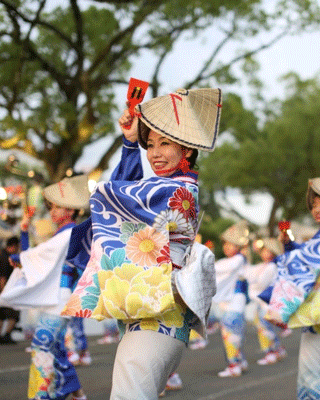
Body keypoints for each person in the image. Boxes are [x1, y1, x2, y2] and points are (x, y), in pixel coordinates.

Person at [61, 88, 220, 399]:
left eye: (164, 143)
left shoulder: (180, 191)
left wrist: (97, 188)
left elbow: (123, 194)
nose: (155, 153)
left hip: (159, 316)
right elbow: (128, 190)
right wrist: (130, 143)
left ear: (186, 150)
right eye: (150, 145)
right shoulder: (168, 186)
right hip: (153, 313)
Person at [0, 175, 90, 400]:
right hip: (57, 296)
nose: (53, 211)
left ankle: (43, 395)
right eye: (52, 207)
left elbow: (39, 255)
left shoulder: (70, 233)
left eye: (58, 207)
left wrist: (21, 255)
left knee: (43, 343)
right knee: (55, 348)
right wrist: (25, 233)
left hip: (60, 296)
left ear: (71, 210)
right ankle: (78, 393)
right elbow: (36, 257)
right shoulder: (62, 234)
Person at [263, 175, 320, 400]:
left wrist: (284, 255)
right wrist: (288, 243)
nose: (317, 209)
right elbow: (306, 255)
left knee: (312, 365)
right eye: (314, 205)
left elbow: (306, 261)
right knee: (311, 364)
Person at [213, 220, 251, 377]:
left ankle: (234, 365)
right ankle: (239, 361)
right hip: (229, 302)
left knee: (230, 332)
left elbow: (217, 268)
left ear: (239, 246)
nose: (227, 247)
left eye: (232, 244)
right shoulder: (225, 261)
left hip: (236, 300)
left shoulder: (239, 259)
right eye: (226, 244)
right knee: (233, 333)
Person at [245, 237, 287, 365]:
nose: (265, 253)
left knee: (264, 328)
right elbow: (248, 274)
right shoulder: (262, 265)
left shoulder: (272, 267)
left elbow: (259, 283)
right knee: (265, 327)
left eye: (268, 251)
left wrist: (252, 281)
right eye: (263, 251)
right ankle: (277, 349)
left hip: (267, 302)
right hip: (262, 301)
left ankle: (271, 352)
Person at [0, 236, 21, 344]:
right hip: (5, 291)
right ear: (13, 246)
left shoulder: (1, 255)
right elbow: (2, 277)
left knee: (0, 315)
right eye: (18, 246)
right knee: (14, 313)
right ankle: (7, 335)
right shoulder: (6, 257)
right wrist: (4, 292)